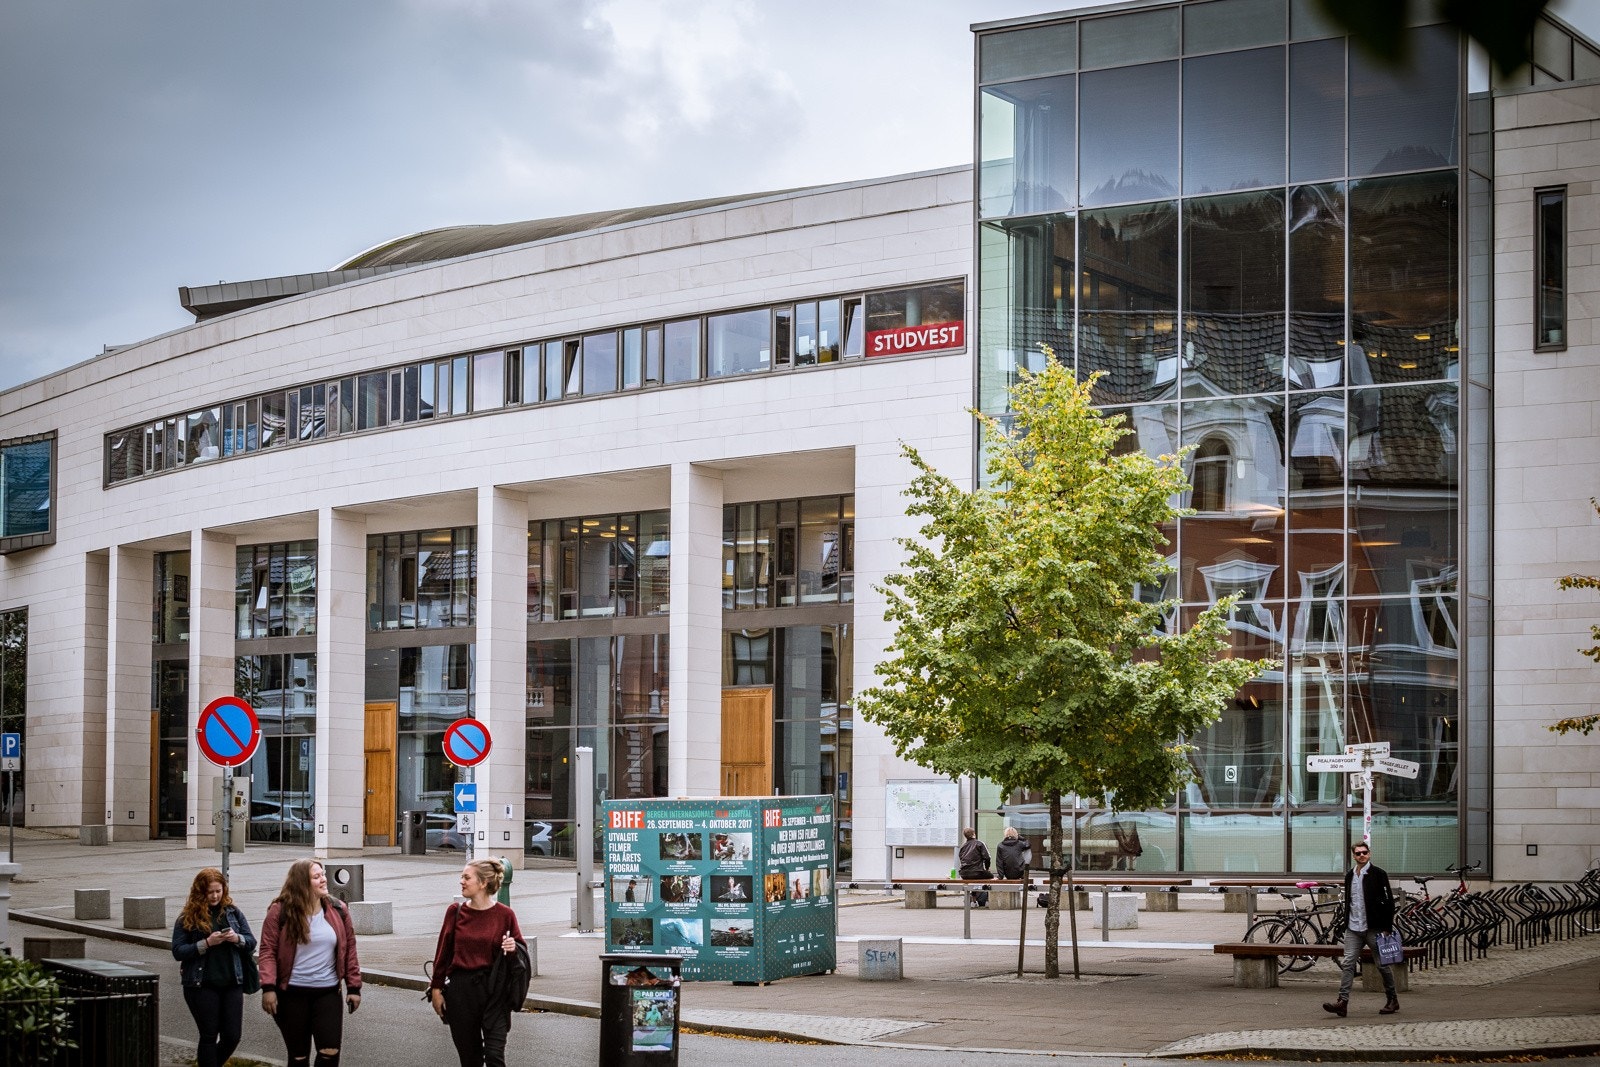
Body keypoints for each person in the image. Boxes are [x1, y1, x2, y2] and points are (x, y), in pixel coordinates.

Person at [259, 859, 362, 1067]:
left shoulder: (338, 910)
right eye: (316, 877)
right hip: (292, 994)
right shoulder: (280, 911)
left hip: (328, 992)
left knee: (330, 1052)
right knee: (299, 1057)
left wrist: (354, 986)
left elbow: (349, 948)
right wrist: (268, 987)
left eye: (322, 874)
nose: (323, 879)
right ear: (301, 883)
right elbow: (267, 951)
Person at [430, 859, 528, 1067]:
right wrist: (436, 988)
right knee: (470, 1058)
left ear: (483, 883)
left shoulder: (505, 915)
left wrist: (512, 949)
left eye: (467, 877)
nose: (461, 882)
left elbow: (520, 954)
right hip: (461, 992)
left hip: (494, 991)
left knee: (494, 1056)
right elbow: (443, 952)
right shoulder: (455, 912)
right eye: (462, 877)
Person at [171, 867, 257, 1067]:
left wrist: (237, 938)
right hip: (201, 985)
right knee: (209, 1035)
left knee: (232, 1036)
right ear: (200, 892)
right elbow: (178, 950)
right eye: (210, 892)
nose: (215, 895)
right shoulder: (188, 916)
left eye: (219, 891)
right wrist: (207, 943)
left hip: (231, 982)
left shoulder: (233, 913)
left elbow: (252, 942)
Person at [1323, 841, 1400, 1017]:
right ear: (1354, 856)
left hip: (1374, 928)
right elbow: (1350, 901)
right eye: (1358, 853)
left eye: (1364, 852)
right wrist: (1345, 923)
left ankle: (1392, 999)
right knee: (1348, 963)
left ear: (1369, 854)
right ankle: (1342, 1002)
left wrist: (1387, 927)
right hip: (1353, 927)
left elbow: (1389, 903)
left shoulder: (1379, 874)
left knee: (1382, 965)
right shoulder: (1350, 876)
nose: (1362, 856)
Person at [958, 826, 994, 907]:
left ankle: (973, 900)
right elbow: (987, 857)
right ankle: (987, 900)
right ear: (974, 834)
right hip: (977, 872)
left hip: (964, 874)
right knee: (990, 877)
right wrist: (987, 868)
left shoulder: (963, 846)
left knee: (973, 879)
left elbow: (961, 859)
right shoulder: (980, 843)